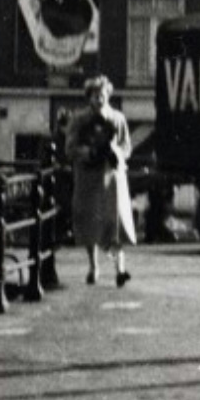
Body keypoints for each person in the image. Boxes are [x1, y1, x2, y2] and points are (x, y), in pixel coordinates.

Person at [65, 75, 136, 287]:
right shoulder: (79, 120)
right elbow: (69, 148)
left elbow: (127, 146)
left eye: (103, 95)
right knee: (89, 221)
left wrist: (117, 153)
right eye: (95, 96)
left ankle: (120, 269)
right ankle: (93, 266)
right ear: (89, 97)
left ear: (108, 95)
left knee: (114, 222)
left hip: (112, 177)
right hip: (88, 176)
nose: (99, 99)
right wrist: (89, 152)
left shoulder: (118, 118)